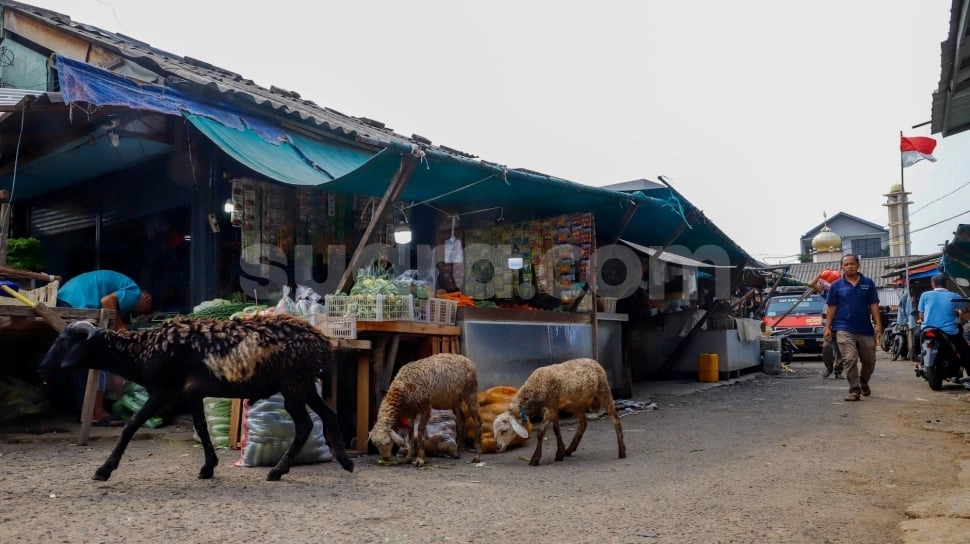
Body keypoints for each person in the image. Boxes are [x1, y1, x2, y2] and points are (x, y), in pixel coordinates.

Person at [56, 270, 153, 425]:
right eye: (147, 309)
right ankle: (97, 413)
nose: (143, 313)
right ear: (146, 298)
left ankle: (86, 411)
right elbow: (107, 301)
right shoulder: (134, 292)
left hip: (65, 297)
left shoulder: (123, 284)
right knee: (98, 358)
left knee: (81, 358)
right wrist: (122, 331)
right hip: (77, 303)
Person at [822, 254, 882, 402]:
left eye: (852, 264)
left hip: (865, 328)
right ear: (842, 267)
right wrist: (828, 327)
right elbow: (831, 307)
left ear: (858, 265)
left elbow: (874, 304)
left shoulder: (868, 283)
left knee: (869, 360)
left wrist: (878, 323)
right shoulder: (836, 285)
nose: (849, 266)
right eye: (846, 264)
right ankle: (854, 390)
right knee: (849, 358)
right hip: (843, 327)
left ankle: (863, 381)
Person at [917, 273, 970, 372]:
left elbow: (921, 316)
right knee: (964, 349)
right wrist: (959, 312)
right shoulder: (954, 296)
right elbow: (964, 309)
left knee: (916, 336)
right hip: (949, 331)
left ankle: (919, 359)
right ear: (946, 284)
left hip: (927, 329)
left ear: (933, 284)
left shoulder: (925, 295)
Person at [809, 268, 843, 379]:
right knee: (826, 348)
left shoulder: (843, 296)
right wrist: (821, 274)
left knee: (840, 350)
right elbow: (812, 284)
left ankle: (838, 371)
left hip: (841, 326)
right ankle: (829, 368)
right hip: (828, 327)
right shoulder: (826, 294)